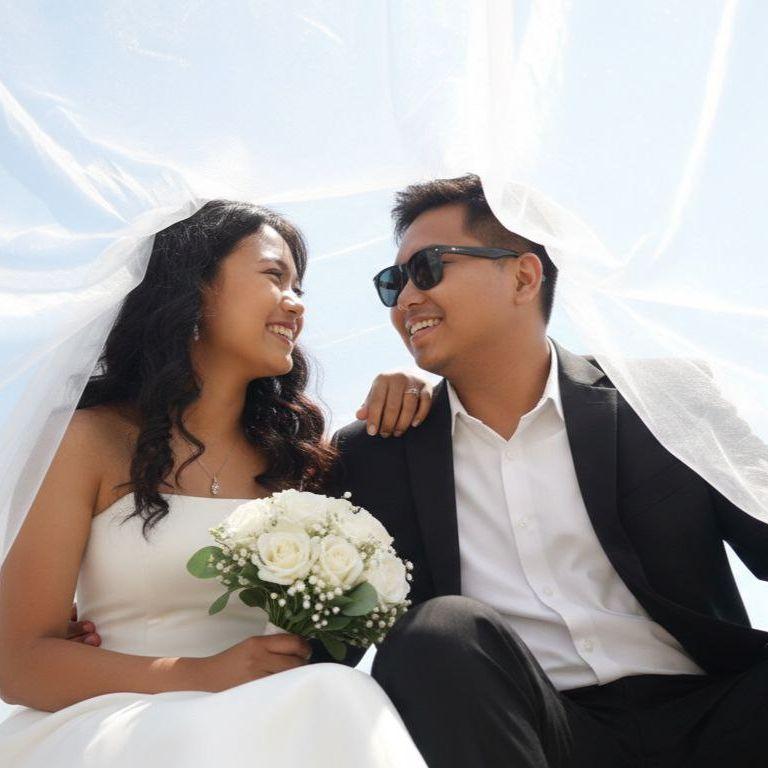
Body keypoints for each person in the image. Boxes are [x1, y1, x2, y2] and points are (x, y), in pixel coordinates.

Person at [332, 174, 768, 767]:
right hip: (537, 733)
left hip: (720, 712)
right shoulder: (377, 451)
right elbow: (334, 638)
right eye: (393, 281)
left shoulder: (665, 398)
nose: (406, 299)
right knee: (435, 631)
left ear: (522, 275)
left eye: (429, 268)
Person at [0, 200, 429, 767]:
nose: (297, 305)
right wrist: (199, 676)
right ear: (195, 287)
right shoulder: (89, 440)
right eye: (275, 276)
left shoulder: (302, 465)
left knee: (339, 694)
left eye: (300, 287)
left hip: (281, 724)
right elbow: (17, 659)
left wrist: (421, 388)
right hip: (126, 722)